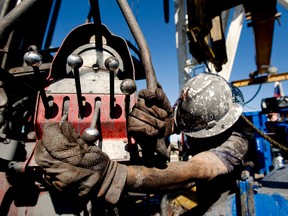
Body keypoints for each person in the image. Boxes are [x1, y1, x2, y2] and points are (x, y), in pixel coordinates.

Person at [34, 72, 248, 214]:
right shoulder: (199, 120)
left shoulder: (236, 141)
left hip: (226, 199)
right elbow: (169, 127)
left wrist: (114, 175)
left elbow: (198, 170)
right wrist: (160, 129)